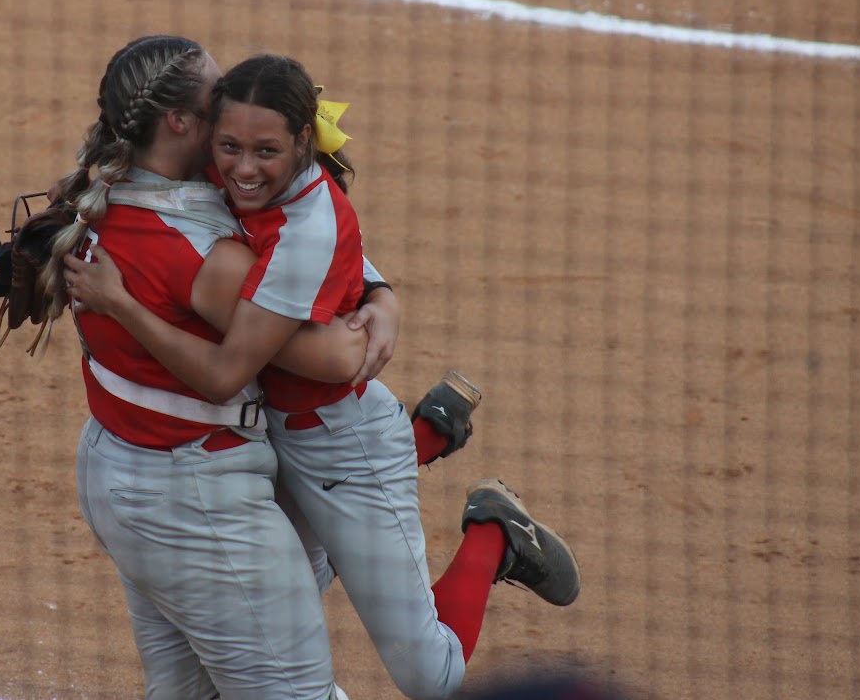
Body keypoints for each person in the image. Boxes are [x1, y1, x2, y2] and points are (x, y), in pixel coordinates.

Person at [65, 53, 581, 700]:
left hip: (343, 441)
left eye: (262, 149)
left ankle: (494, 532)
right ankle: (424, 436)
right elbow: (349, 265)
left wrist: (121, 302)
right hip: (279, 447)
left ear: (300, 142)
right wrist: (380, 293)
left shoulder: (293, 219)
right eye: (228, 140)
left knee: (432, 676)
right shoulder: (227, 174)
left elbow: (324, 358)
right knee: (255, 624)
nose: (242, 164)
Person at [37, 35, 382, 700]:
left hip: (125, 470)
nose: (233, 106)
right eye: (215, 94)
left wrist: (381, 289)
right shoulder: (204, 256)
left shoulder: (96, 191)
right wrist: (383, 309)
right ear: (180, 122)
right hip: (195, 496)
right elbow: (339, 354)